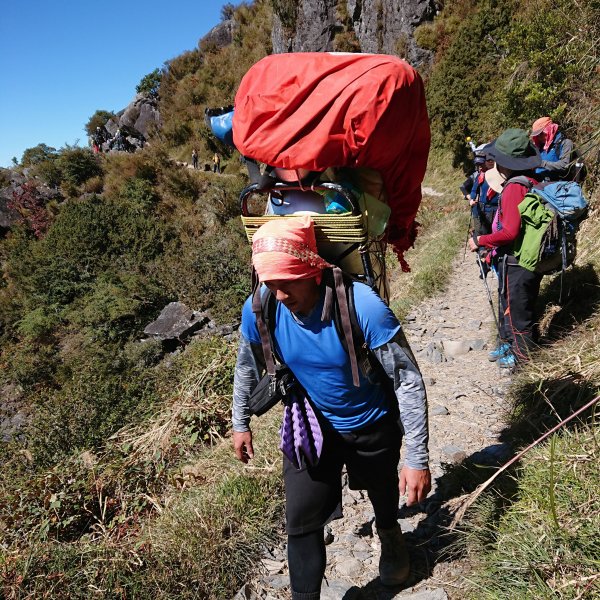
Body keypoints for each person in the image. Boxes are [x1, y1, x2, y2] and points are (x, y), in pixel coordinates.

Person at [232, 216, 430, 599]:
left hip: (371, 421)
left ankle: (389, 533)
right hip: (311, 422)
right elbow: (246, 364)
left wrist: (417, 458)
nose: (280, 295)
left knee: (382, 489)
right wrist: (240, 421)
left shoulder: (363, 307)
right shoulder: (261, 306)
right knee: (301, 521)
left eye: (288, 283)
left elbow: (407, 378)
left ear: (315, 271)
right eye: (270, 284)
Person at [468, 129, 542, 369]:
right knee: (518, 306)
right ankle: (511, 347)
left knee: (519, 313)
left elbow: (510, 232)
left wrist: (480, 241)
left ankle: (523, 364)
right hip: (528, 257)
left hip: (517, 260)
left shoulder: (513, 189)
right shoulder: (531, 181)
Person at [530, 116, 573, 181]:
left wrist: (541, 163)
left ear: (549, 130)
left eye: (541, 134)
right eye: (537, 135)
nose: (539, 138)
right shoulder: (539, 147)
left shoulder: (565, 143)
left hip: (557, 186)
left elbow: (565, 165)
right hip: (537, 185)